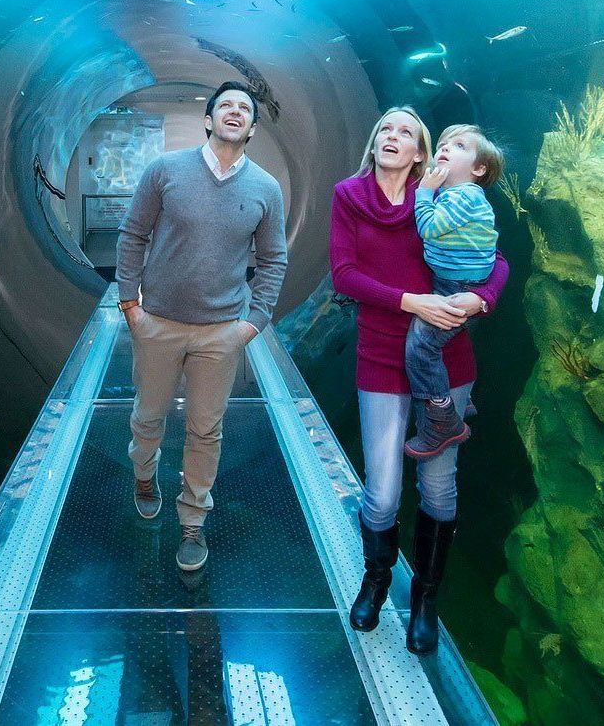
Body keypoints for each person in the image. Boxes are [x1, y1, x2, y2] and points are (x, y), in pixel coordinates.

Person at [330, 107, 509, 655]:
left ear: (421, 154)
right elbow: (344, 274)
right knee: (382, 496)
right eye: (385, 127)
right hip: (382, 356)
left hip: (447, 356)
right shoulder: (349, 195)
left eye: (406, 132)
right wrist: (412, 302)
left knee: (438, 485)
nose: (393, 135)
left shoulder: (442, 193)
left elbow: (493, 259)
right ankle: (377, 580)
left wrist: (481, 298)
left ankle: (427, 598)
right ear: (374, 141)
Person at [115, 82, 288, 572]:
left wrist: (254, 322)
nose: (235, 112)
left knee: (206, 429)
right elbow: (132, 235)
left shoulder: (266, 189)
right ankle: (144, 475)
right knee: (149, 416)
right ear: (208, 120)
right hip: (159, 324)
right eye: (226, 106)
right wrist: (130, 304)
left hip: (222, 331)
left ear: (252, 128)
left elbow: (274, 260)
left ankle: (193, 517)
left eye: (245, 109)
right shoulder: (164, 171)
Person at [404, 124, 504, 458]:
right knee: (443, 340)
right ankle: (464, 401)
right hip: (455, 282)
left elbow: (430, 228)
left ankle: (443, 419)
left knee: (420, 347)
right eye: (443, 144)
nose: (445, 148)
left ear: (479, 169)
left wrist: (423, 192)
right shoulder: (455, 196)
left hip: (461, 287)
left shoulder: (464, 195)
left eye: (459, 146)